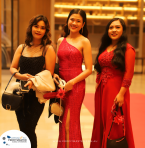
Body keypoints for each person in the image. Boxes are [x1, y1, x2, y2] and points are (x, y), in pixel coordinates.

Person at [10, 14, 56, 148]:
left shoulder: (48, 49)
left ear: (46, 31)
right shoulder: (21, 47)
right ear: (31, 27)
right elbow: (13, 68)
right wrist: (21, 76)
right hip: (20, 93)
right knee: (23, 129)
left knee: (29, 128)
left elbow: (49, 73)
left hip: (36, 95)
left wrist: (33, 81)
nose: (38, 30)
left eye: (42, 28)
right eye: (36, 26)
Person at [90, 18, 135, 148]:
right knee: (101, 121)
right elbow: (100, 67)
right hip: (102, 90)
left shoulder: (128, 49)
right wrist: (98, 82)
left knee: (114, 122)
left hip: (117, 90)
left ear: (123, 30)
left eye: (117, 27)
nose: (113, 30)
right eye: (111, 27)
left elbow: (128, 73)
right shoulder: (105, 47)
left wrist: (121, 94)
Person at [54, 9, 92, 148]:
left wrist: (72, 82)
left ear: (83, 24)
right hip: (61, 86)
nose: (74, 23)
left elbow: (89, 69)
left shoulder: (85, 41)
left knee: (71, 124)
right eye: (72, 19)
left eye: (78, 21)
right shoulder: (60, 40)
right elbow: (57, 64)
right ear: (67, 20)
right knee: (63, 123)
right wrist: (55, 74)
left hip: (75, 86)